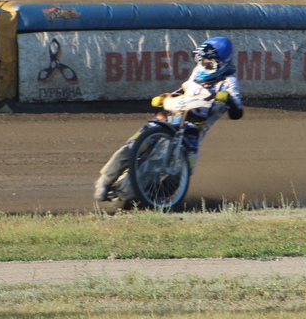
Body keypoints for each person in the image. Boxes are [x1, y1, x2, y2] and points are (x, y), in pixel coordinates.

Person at [94, 36, 244, 203]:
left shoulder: (229, 82)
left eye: (209, 59)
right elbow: (184, 88)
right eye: (202, 58)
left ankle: (148, 198)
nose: (204, 62)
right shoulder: (198, 71)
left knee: (178, 173)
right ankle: (106, 179)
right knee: (134, 144)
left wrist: (228, 99)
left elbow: (237, 112)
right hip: (172, 116)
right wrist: (166, 96)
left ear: (221, 62)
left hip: (193, 129)